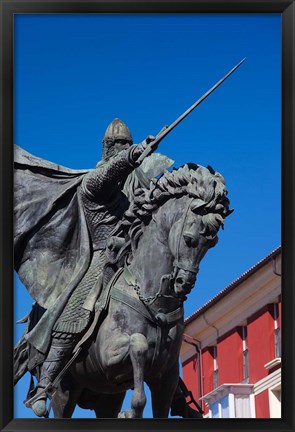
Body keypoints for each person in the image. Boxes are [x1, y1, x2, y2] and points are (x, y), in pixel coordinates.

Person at [14, 119, 160, 417]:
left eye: (127, 145)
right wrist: (133, 155)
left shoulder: (127, 194)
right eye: (120, 146)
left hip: (129, 257)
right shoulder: (94, 183)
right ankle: (46, 383)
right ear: (108, 149)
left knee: (163, 313)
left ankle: (175, 389)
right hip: (97, 259)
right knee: (77, 311)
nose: (125, 149)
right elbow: (111, 172)